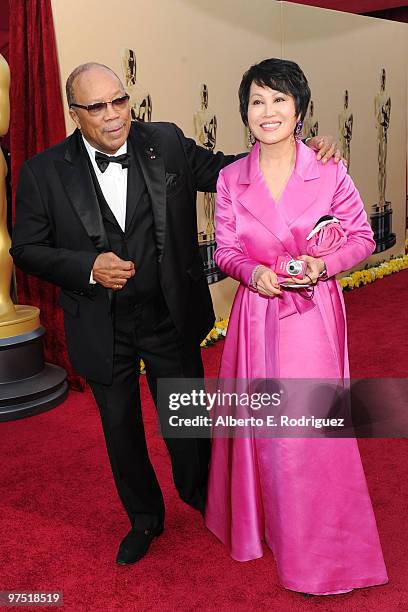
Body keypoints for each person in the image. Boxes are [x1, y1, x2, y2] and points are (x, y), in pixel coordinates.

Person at [11, 62, 340, 565]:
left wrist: (296, 151)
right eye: (97, 107)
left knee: (185, 418)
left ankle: (205, 500)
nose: (114, 114)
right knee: (120, 428)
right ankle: (144, 519)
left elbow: (231, 171)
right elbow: (28, 249)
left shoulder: (163, 141)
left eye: (119, 100)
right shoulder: (43, 172)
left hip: (168, 313)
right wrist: (88, 266)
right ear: (75, 114)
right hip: (101, 322)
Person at [205, 59, 388, 595]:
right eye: (257, 101)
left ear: (300, 110)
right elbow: (226, 250)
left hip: (311, 316)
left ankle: (322, 543)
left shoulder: (329, 170)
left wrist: (321, 266)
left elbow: (360, 237)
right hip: (256, 314)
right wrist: (252, 272)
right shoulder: (230, 178)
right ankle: (264, 524)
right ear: (245, 114)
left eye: (279, 100)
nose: (268, 112)